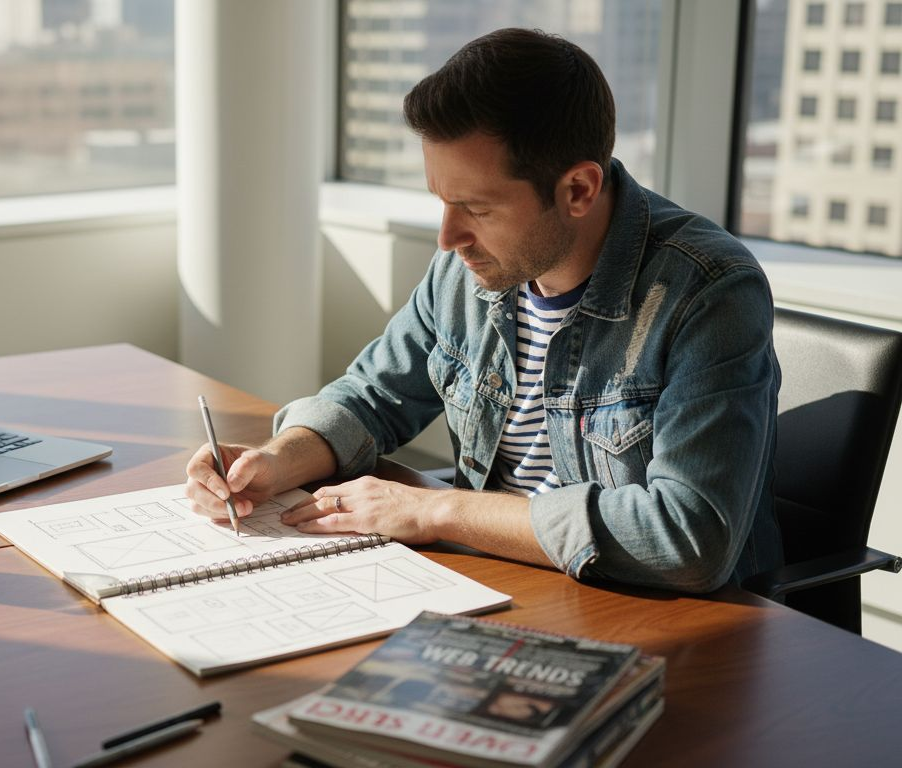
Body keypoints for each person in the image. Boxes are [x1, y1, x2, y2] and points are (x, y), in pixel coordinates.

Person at [184, 27, 782, 593]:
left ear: (578, 190)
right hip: (494, 581)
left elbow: (688, 536)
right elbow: (371, 397)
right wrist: (275, 461)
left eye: (477, 207)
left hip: (647, 615)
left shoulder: (709, 292)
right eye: (442, 201)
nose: (448, 237)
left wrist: (436, 508)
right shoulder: (471, 267)